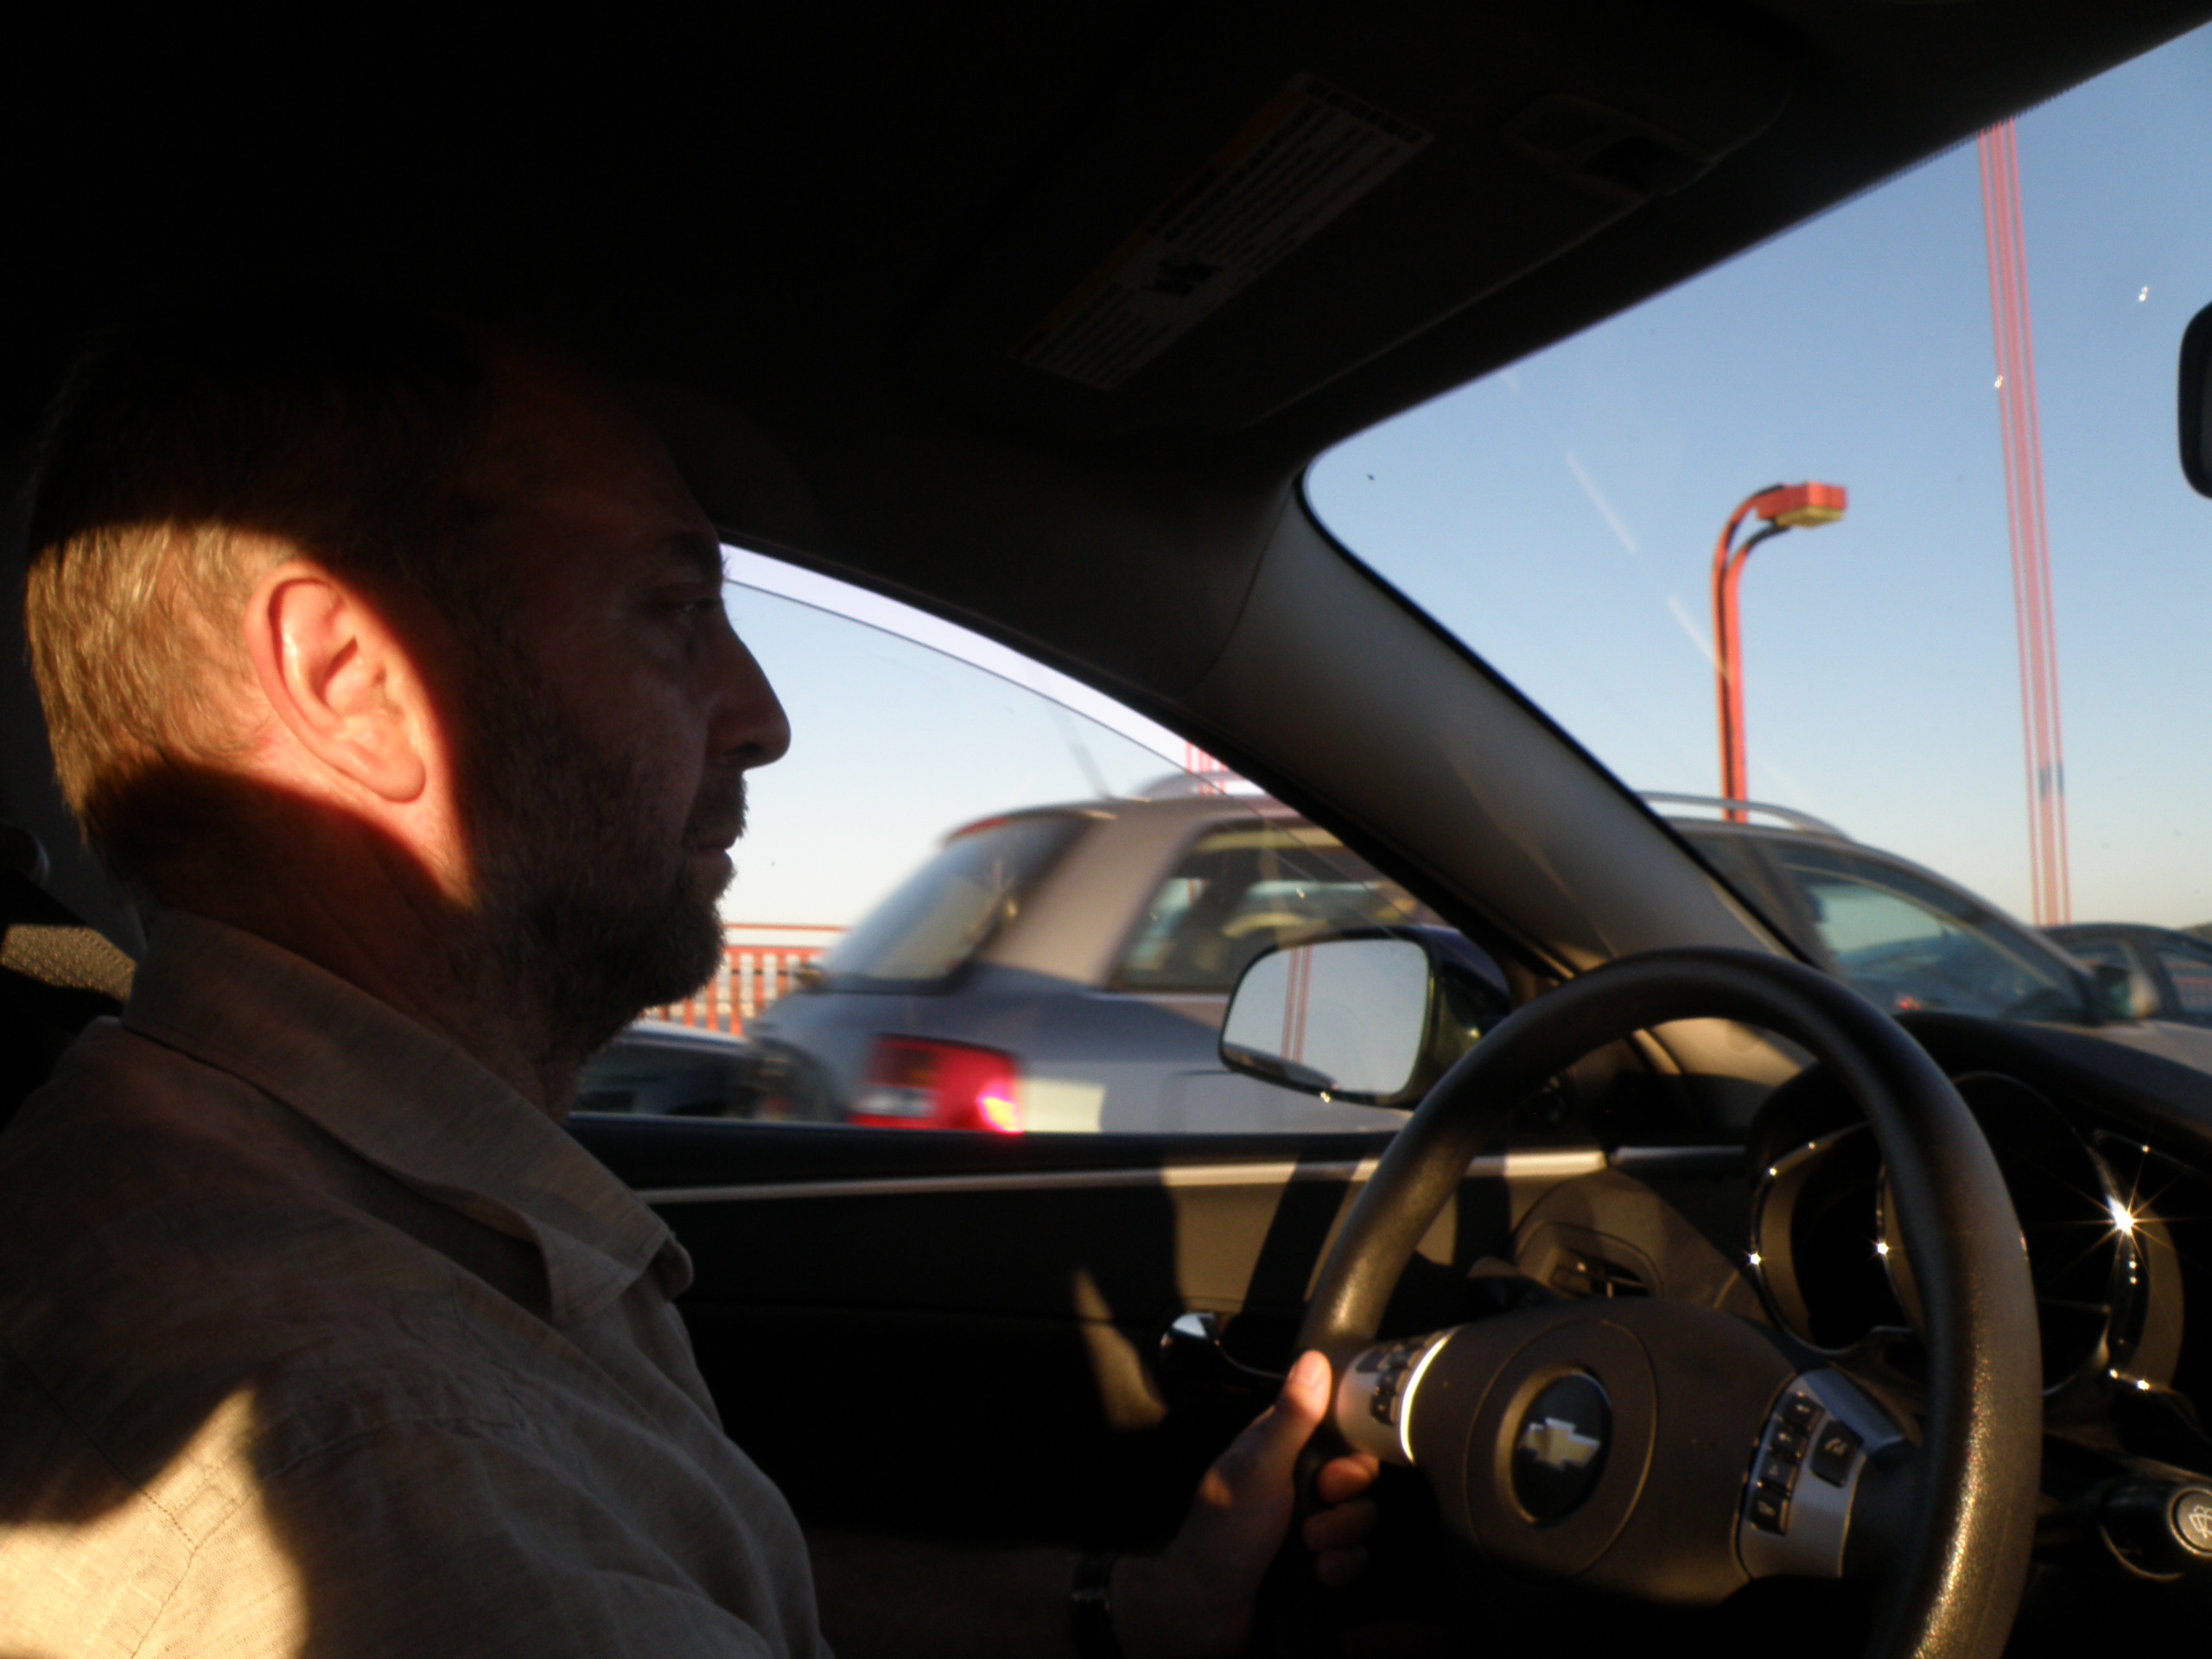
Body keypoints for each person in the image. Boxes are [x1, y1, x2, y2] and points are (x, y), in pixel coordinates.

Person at [0, 304, 1379, 1656]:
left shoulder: (320, 1216)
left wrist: (1135, 1610)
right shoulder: (371, 1470)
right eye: (674, 610)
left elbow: (673, 1569)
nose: (763, 716)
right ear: (350, 681)